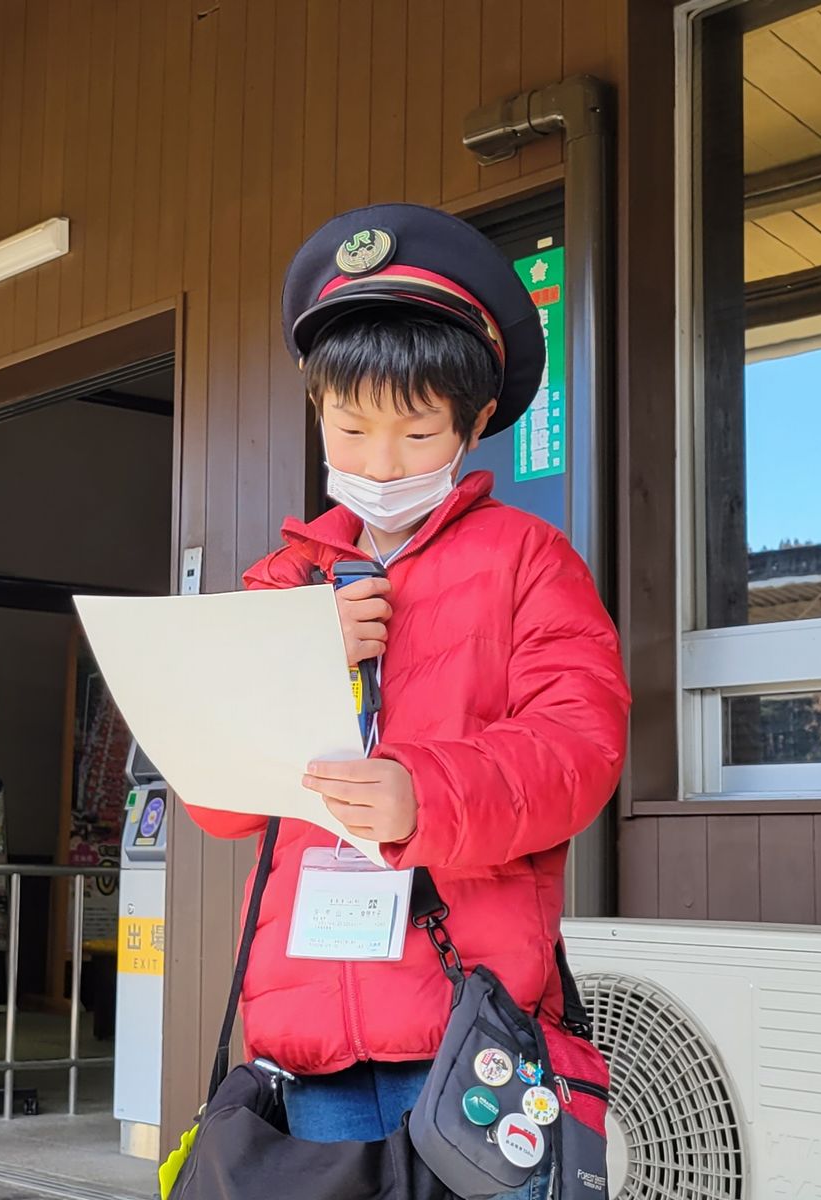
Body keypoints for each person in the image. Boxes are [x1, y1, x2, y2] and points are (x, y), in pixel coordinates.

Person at [183, 204, 630, 1188]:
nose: (381, 463)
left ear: (474, 425)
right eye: (351, 427)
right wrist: (297, 656)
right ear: (317, 412)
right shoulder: (275, 586)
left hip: (466, 1022)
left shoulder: (527, 561)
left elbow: (579, 749)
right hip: (307, 1027)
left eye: (418, 431)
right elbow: (215, 802)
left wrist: (421, 796)